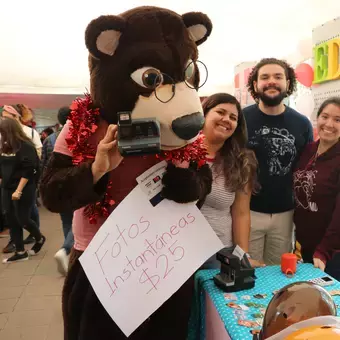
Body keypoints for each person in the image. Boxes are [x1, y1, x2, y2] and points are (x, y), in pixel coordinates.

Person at [244, 58, 313, 265]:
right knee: (249, 271)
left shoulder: (302, 123)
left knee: (278, 272)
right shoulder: (240, 119)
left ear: (288, 83)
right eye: (264, 77)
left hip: (285, 213)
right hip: (247, 211)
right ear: (255, 85)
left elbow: (307, 170)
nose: (271, 81)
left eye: (278, 76)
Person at [199, 93, 263, 268]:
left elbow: (241, 213)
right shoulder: (178, 152)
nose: (227, 119)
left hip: (218, 254)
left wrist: (242, 256)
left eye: (233, 117)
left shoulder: (242, 162)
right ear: (204, 114)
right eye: (220, 112)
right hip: (176, 252)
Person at [293, 97, 340, 280]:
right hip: (304, 245)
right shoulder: (308, 150)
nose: (329, 124)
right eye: (325, 116)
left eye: (338, 120)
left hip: (330, 252)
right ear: (317, 118)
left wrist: (324, 251)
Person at [0, 118, 46, 263]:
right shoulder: (5, 147)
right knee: (11, 219)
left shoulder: (25, 146)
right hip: (7, 188)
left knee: (23, 218)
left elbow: (29, 169)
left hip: (24, 187)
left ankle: (39, 238)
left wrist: (18, 190)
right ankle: (20, 251)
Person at [41, 106, 74, 276]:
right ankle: (66, 249)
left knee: (66, 221)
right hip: (74, 184)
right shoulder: (77, 135)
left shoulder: (49, 140)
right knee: (77, 220)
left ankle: (66, 252)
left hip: (57, 186)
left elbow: (44, 164)